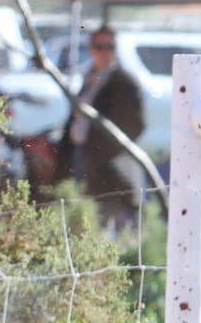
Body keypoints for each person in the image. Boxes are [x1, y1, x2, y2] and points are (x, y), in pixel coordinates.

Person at [57, 26, 147, 231]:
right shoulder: (89, 77)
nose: (105, 52)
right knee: (87, 219)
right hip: (84, 159)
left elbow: (137, 125)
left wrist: (104, 150)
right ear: (91, 49)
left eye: (110, 46)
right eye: (100, 46)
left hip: (113, 166)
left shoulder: (125, 82)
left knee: (113, 221)